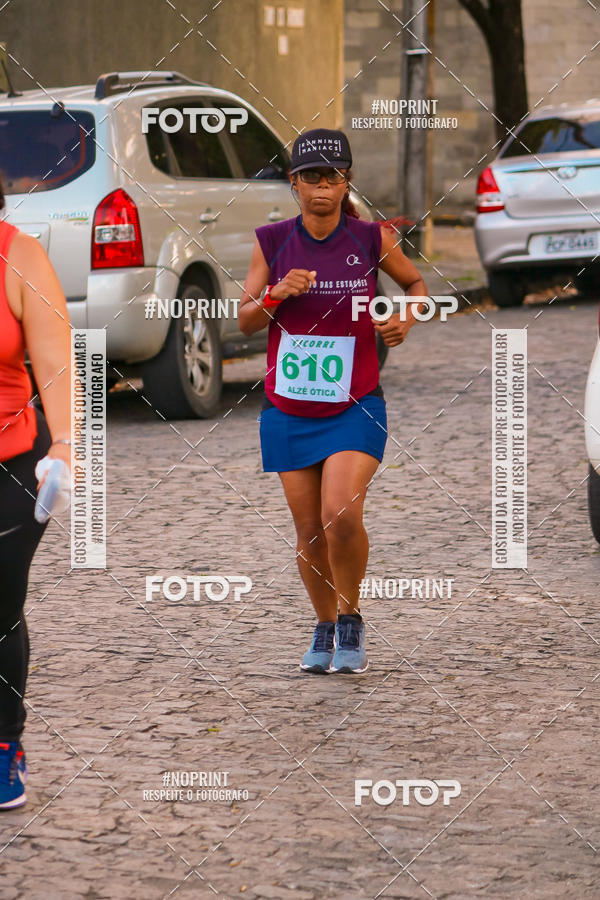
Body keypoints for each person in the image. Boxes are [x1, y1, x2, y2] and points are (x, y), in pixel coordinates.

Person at [239, 128, 427, 675]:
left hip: (356, 403)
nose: (323, 187)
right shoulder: (272, 241)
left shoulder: (370, 238)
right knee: (308, 532)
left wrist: (403, 320)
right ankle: (324, 627)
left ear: (347, 182)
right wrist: (276, 292)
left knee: (339, 514)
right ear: (293, 183)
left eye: (334, 176)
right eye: (311, 177)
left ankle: (351, 617)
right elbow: (246, 320)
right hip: (288, 408)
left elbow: (415, 286)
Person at [0, 177, 71, 808]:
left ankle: (4, 747)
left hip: (13, 461)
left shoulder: (19, 256)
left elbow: (54, 360)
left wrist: (67, 447)